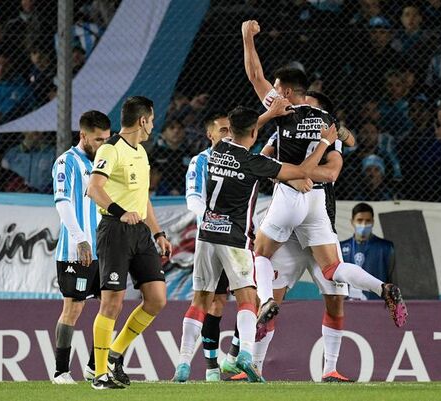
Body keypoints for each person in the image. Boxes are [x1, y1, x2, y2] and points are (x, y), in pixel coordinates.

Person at [241, 19, 406, 331]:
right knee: (332, 267)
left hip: (289, 196)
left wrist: (247, 38)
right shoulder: (329, 120)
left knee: (259, 254)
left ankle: (266, 300)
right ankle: (382, 288)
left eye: (277, 89)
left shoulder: (282, 109)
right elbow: (337, 164)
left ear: (286, 92)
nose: (273, 92)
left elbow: (254, 76)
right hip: (316, 200)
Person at [172, 105, 339, 383]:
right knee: (248, 299)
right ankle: (246, 355)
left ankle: (182, 364)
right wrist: (323, 142)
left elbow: (244, 128)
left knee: (200, 300)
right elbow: (302, 170)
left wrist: (266, 116)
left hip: (206, 235)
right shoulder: (254, 162)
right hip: (234, 238)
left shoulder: (217, 151)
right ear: (253, 132)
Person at [86, 96, 173, 390]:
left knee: (157, 298)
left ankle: (115, 353)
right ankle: (99, 375)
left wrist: (158, 233)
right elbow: (94, 188)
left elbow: (142, 198)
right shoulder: (110, 149)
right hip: (114, 229)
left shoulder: (141, 153)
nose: (153, 124)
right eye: (152, 118)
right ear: (143, 120)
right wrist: (120, 213)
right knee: (112, 302)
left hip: (140, 233)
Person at [51, 110, 111, 384]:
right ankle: (61, 371)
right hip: (77, 250)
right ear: (83, 136)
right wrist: (80, 238)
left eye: (107, 139)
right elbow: (63, 203)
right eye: (98, 140)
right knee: (73, 309)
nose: (103, 144)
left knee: (112, 304)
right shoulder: (67, 162)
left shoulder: (104, 162)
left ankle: (93, 366)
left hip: (104, 249)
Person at [184, 112, 231, 381]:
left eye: (231, 130)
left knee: (221, 302)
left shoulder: (240, 159)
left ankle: (220, 362)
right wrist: (211, 223)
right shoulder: (199, 161)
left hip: (234, 241)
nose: (228, 134)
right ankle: (201, 363)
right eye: (223, 130)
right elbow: (193, 198)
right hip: (211, 240)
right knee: (205, 299)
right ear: (210, 135)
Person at [340, 203, 395, 300]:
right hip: (348, 304)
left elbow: (392, 278)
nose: (364, 224)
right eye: (360, 220)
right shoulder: (341, 247)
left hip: (376, 304)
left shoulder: (386, 247)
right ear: (352, 222)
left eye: (368, 221)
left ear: (373, 222)